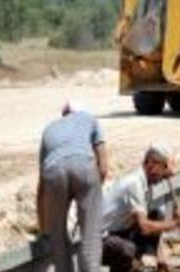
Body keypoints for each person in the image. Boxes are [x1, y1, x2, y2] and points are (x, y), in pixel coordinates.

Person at [37, 101, 109, 272]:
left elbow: (41, 189)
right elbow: (104, 167)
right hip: (84, 166)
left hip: (53, 172)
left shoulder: (49, 129)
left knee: (58, 236)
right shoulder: (90, 118)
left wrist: (44, 230)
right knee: (90, 237)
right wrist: (92, 196)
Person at [102, 143, 180, 272]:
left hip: (118, 233)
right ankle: (137, 266)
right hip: (99, 239)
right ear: (151, 165)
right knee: (127, 249)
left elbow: (151, 224)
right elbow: (145, 227)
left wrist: (160, 257)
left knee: (155, 215)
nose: (166, 174)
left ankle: (148, 264)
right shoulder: (134, 183)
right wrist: (174, 223)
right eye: (165, 167)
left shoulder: (145, 184)